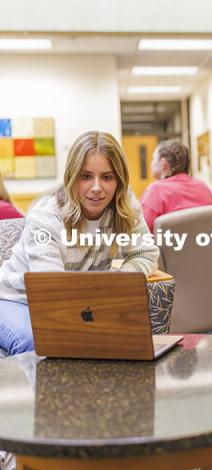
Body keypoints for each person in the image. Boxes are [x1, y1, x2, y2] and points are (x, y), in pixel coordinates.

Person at [0, 131, 159, 356]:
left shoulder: (125, 205)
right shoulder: (46, 217)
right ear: (72, 177)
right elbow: (53, 291)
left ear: (119, 180)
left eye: (107, 177)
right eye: (85, 176)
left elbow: (145, 254)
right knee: (35, 343)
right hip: (13, 298)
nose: (96, 187)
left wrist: (119, 282)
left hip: (77, 298)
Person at [140, 140, 212, 231]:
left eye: (153, 159)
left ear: (162, 163)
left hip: (168, 244)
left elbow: (141, 231)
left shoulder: (155, 190)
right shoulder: (203, 188)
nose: (151, 163)